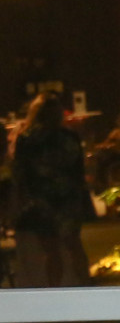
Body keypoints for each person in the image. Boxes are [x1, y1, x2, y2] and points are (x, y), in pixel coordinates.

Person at [6, 92, 93, 286]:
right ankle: (86, 285)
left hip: (42, 202)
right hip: (68, 200)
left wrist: (18, 202)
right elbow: (78, 170)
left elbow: (20, 174)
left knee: (51, 251)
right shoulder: (69, 137)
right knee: (74, 245)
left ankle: (54, 291)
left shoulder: (28, 139)